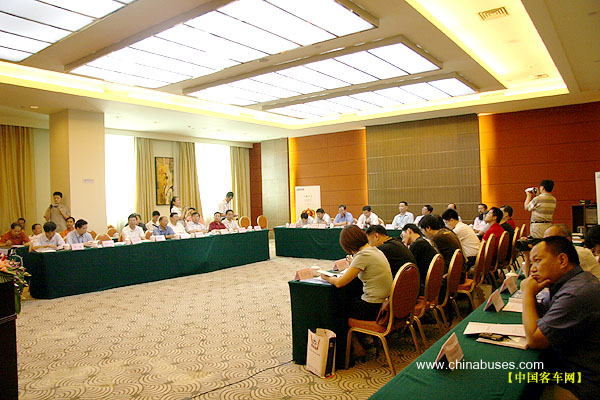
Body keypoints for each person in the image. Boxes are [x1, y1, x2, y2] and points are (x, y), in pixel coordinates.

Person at [521, 236, 600, 400]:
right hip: (570, 371)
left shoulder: (576, 292)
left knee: (516, 385)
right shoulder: (571, 282)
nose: (533, 269)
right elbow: (543, 314)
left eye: (537, 260)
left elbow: (535, 339)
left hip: (582, 386)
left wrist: (527, 293)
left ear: (562, 260)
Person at [321, 226, 392, 321]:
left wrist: (326, 277)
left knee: (336, 304)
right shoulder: (374, 250)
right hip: (383, 303)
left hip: (373, 307)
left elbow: (339, 283)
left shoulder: (363, 255)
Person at [401, 223, 438, 291]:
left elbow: (407, 265)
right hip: (434, 282)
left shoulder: (418, 244)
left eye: (403, 236)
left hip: (425, 285)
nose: (403, 240)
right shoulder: (423, 242)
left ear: (409, 231)